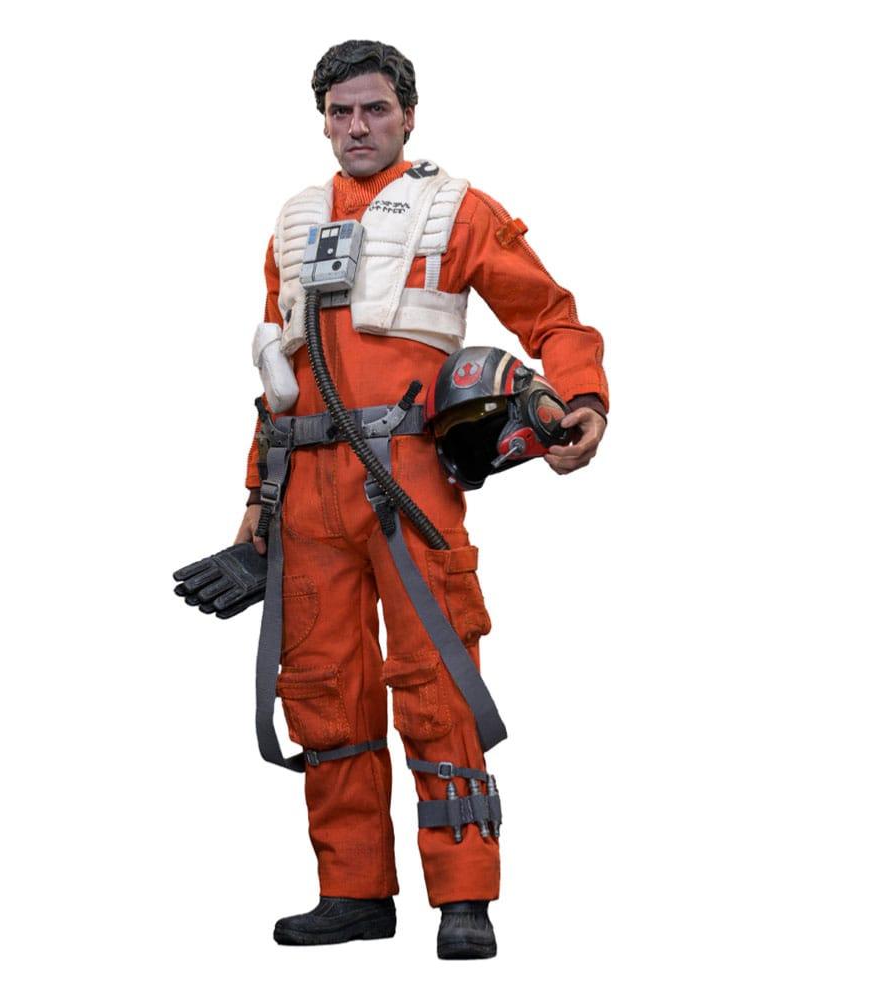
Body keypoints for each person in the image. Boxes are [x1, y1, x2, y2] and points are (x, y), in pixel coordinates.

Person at [233, 39, 609, 959]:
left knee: (438, 679)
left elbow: (551, 315)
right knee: (322, 690)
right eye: (340, 112)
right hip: (306, 488)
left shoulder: (456, 212)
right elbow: (277, 377)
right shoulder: (293, 228)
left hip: (406, 479)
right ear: (322, 120)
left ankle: (464, 896)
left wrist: (582, 399)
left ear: (407, 114)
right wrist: (254, 506)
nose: (357, 127)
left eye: (374, 109)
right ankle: (353, 891)